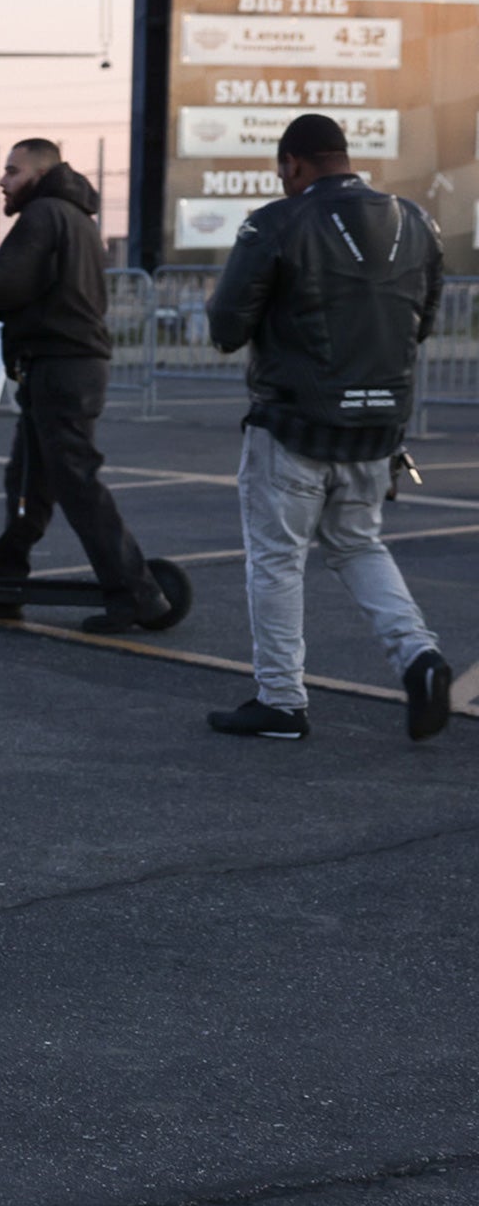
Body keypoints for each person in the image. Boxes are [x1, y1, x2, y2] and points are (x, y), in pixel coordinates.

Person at [203, 112, 452, 742]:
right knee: (359, 544)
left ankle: (281, 700)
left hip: (293, 422)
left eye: (281, 169)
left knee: (277, 560)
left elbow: (226, 328)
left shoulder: (275, 222)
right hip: (379, 428)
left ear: (292, 163)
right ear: (343, 156)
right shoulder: (418, 221)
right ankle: (420, 658)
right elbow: (420, 325)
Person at [0, 138, 170, 633]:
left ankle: (137, 593)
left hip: (62, 367)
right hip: (63, 366)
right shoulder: (79, 219)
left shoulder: (43, 215)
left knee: (75, 482)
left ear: (40, 174)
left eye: (12, 171)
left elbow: (7, 281)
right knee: (29, 480)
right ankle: (0, 581)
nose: (2, 181)